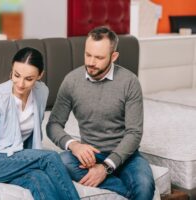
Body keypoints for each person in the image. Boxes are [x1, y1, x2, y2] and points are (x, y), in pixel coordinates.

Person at [46, 26, 155, 200]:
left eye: (98, 57)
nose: (90, 62)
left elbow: (134, 133)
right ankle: (127, 193)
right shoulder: (71, 81)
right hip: (91, 155)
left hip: (126, 155)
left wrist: (105, 168)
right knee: (61, 162)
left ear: (114, 57)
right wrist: (74, 145)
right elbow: (53, 125)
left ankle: (118, 182)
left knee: (144, 185)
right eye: (88, 55)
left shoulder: (130, 82)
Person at [0, 47, 80, 200]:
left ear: (40, 75)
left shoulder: (42, 92)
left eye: (29, 79)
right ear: (11, 71)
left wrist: (30, 155)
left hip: (16, 158)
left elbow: (33, 134)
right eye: (16, 75)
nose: (20, 84)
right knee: (50, 157)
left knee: (38, 178)